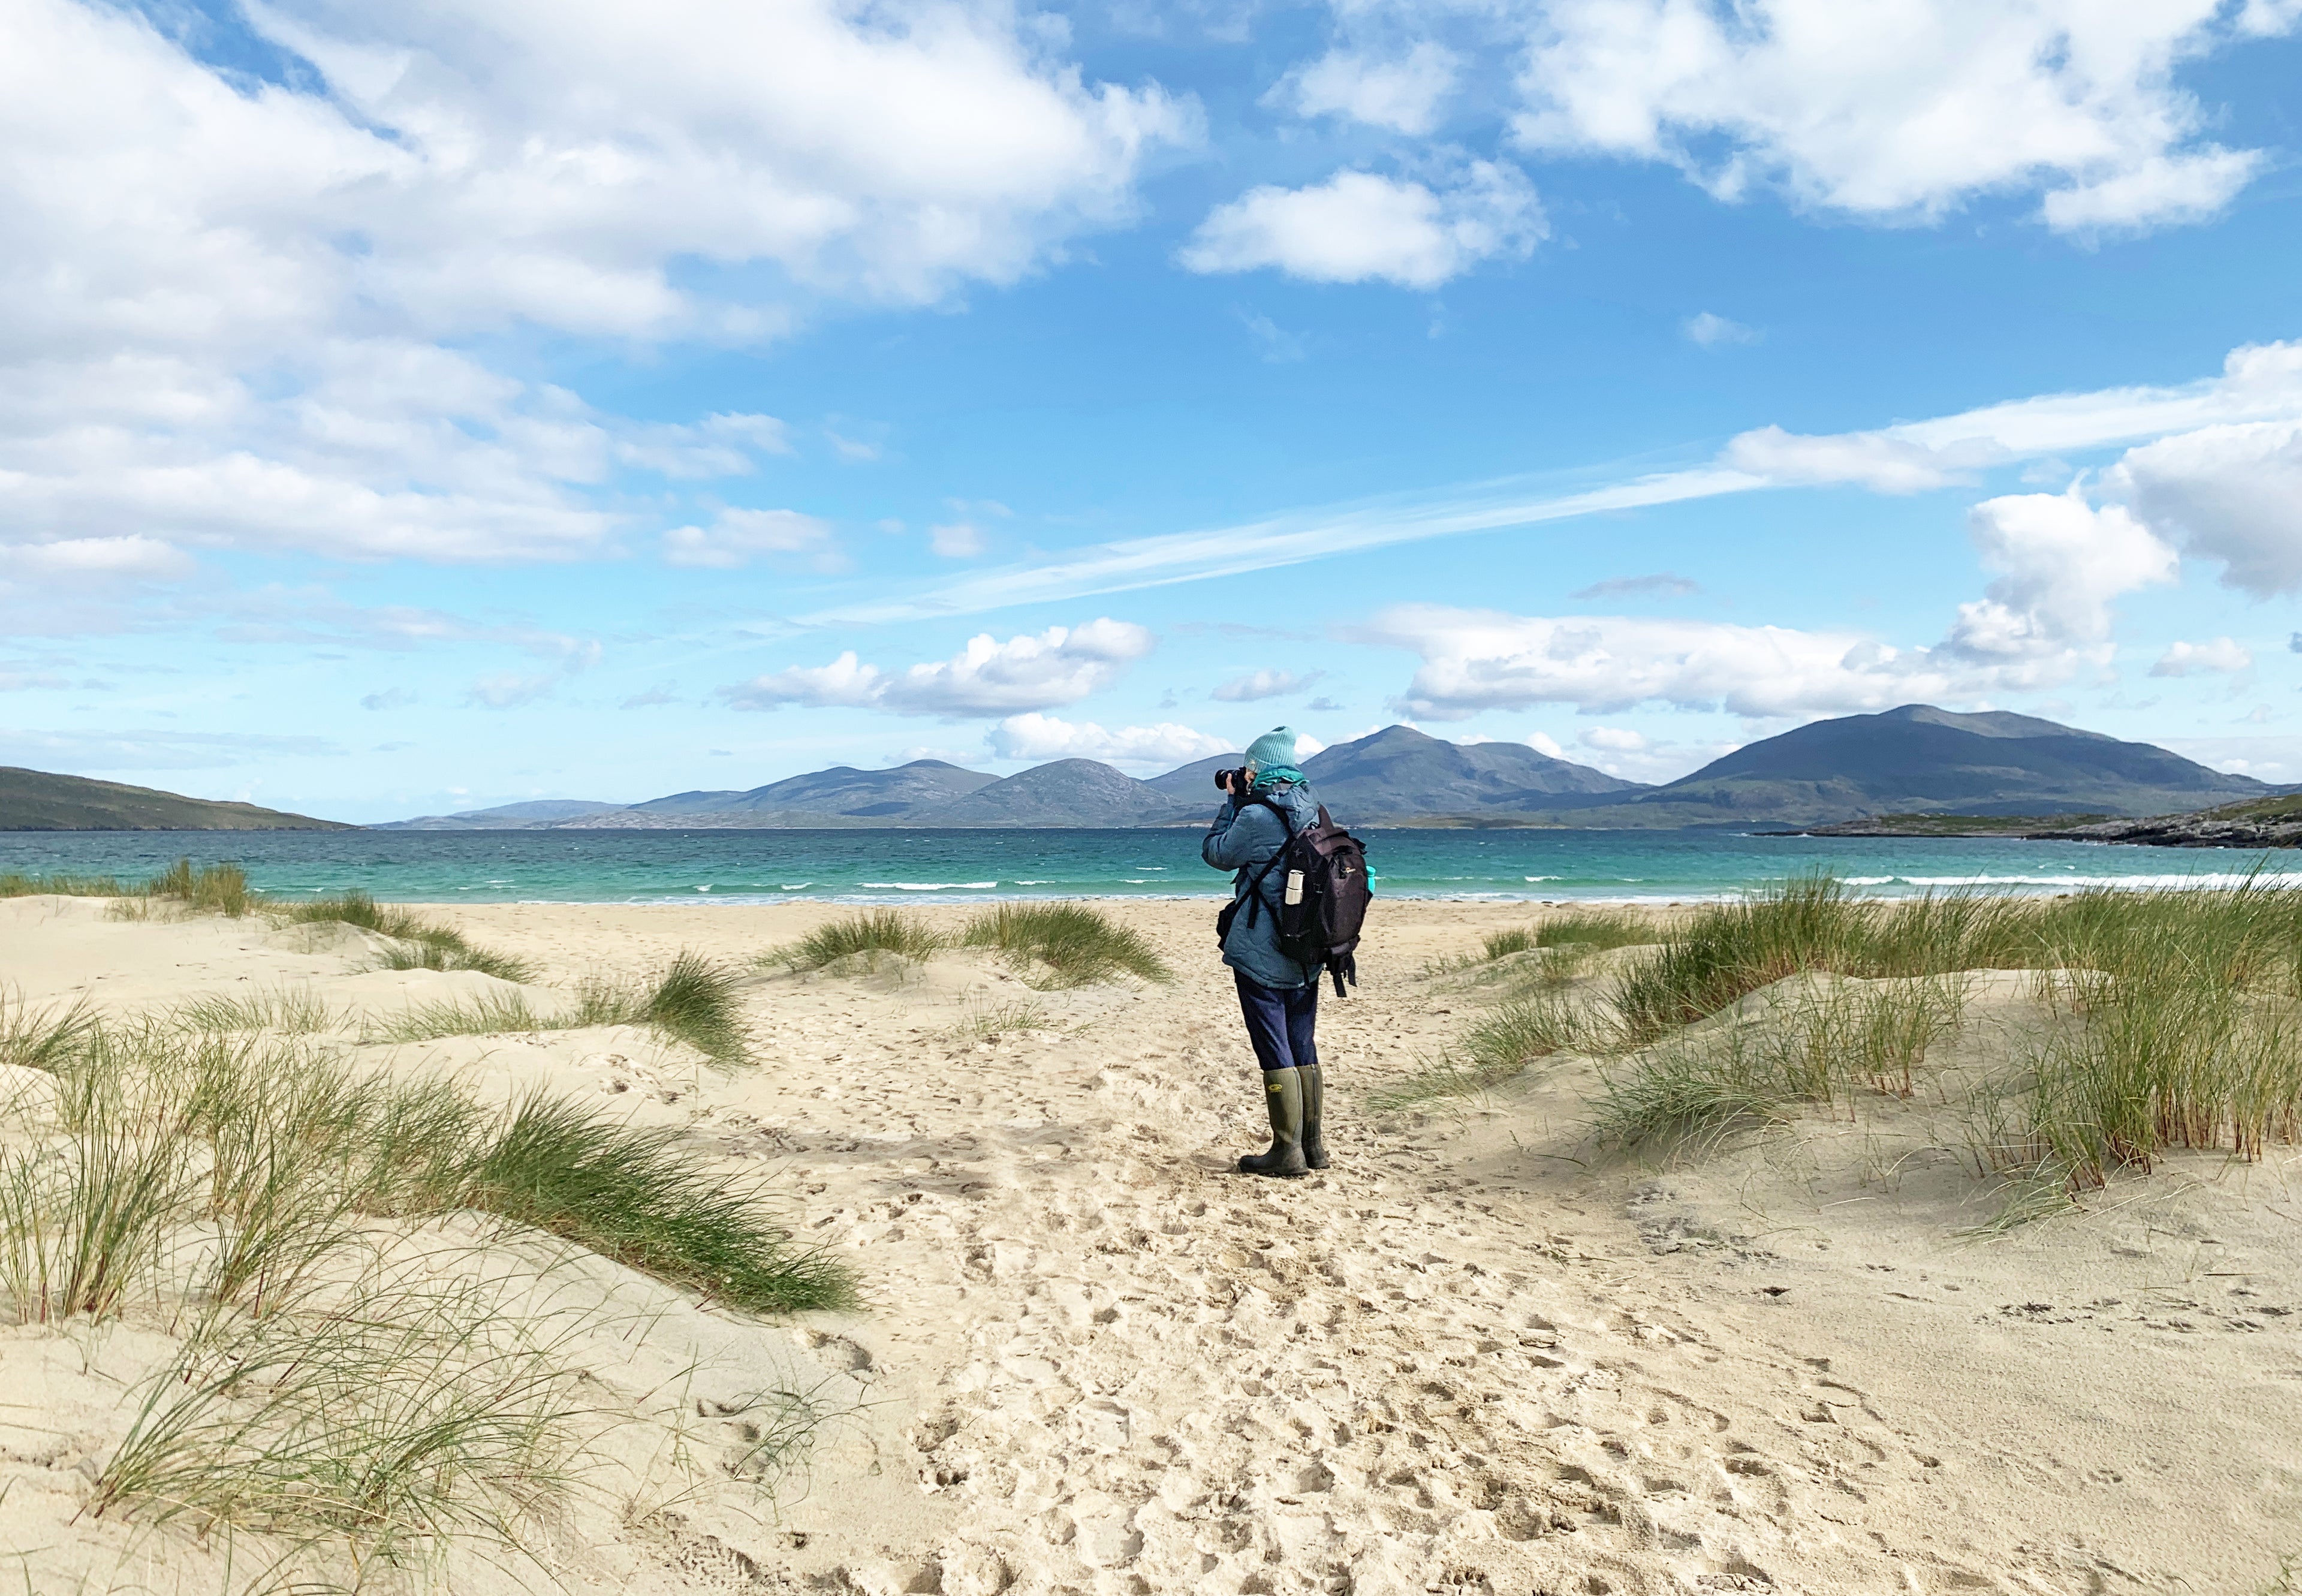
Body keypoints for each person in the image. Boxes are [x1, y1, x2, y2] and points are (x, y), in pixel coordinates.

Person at [1203, 726, 1329, 1178]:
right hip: (1308, 947)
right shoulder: (1311, 807)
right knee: (1302, 1042)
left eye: (1249, 767)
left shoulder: (1257, 816)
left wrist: (1232, 803)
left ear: (1259, 768)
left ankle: (1287, 1151)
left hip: (1263, 947)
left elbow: (1217, 854)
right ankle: (1314, 1147)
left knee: (1273, 1045)